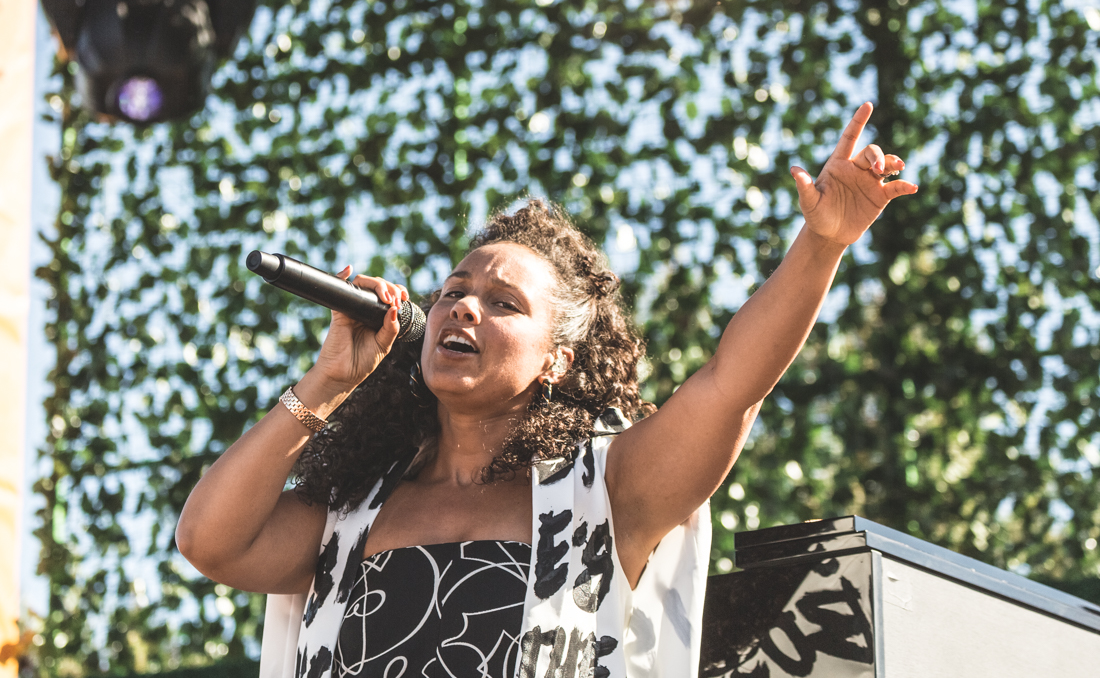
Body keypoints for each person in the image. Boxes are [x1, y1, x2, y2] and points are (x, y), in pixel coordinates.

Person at [176, 103, 916, 678]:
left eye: (503, 303)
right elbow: (210, 541)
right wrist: (330, 379)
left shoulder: (605, 492)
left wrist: (821, 244)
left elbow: (731, 387)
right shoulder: (351, 511)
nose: (463, 306)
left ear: (558, 361)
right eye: (453, 292)